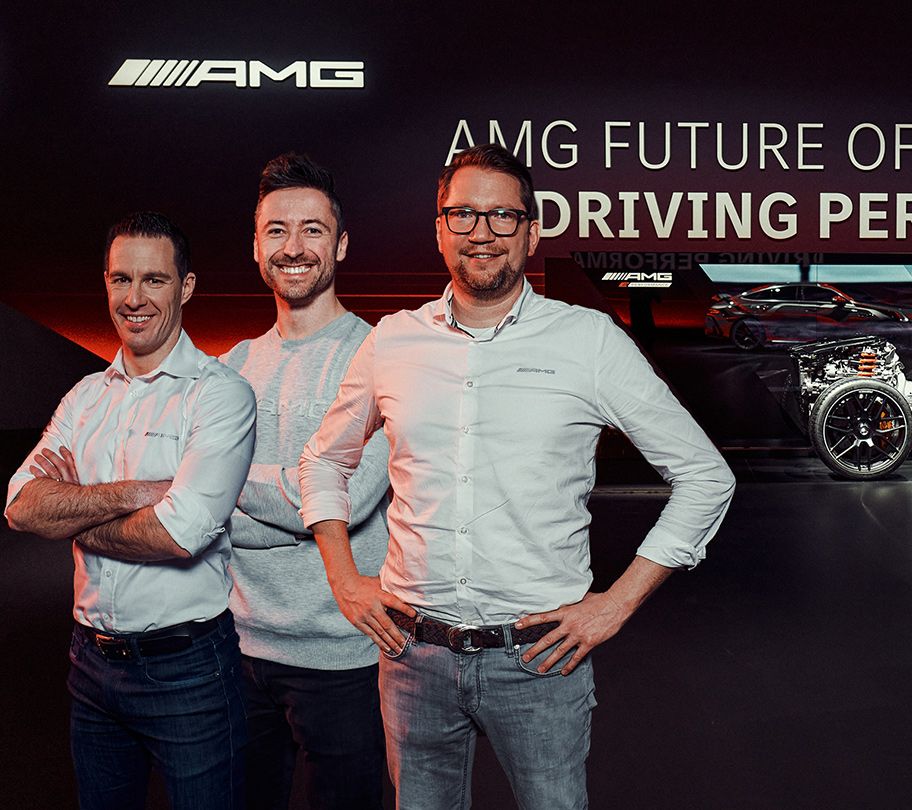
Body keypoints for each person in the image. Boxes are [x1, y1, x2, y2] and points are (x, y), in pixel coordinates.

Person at [297, 144, 735, 810]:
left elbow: (705, 476)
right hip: (413, 657)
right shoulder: (392, 341)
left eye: (503, 216)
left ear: (532, 232)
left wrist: (616, 603)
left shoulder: (587, 342)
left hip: (540, 663)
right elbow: (324, 459)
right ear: (439, 229)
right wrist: (342, 579)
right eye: (464, 214)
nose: (482, 232)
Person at [5, 212, 257, 810]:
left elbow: (178, 534)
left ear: (186, 287)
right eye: (121, 279)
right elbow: (19, 506)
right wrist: (132, 492)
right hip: (90, 667)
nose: (134, 298)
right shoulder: (85, 397)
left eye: (154, 280)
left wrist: (70, 512)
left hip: (189, 671)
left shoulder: (219, 395)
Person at [221, 153, 390, 810]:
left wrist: (242, 495)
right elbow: (198, 506)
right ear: (256, 247)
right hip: (237, 650)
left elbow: (340, 495)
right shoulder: (230, 367)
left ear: (341, 244)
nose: (294, 248)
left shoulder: (379, 358)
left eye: (313, 230)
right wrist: (288, 498)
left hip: (344, 659)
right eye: (277, 231)